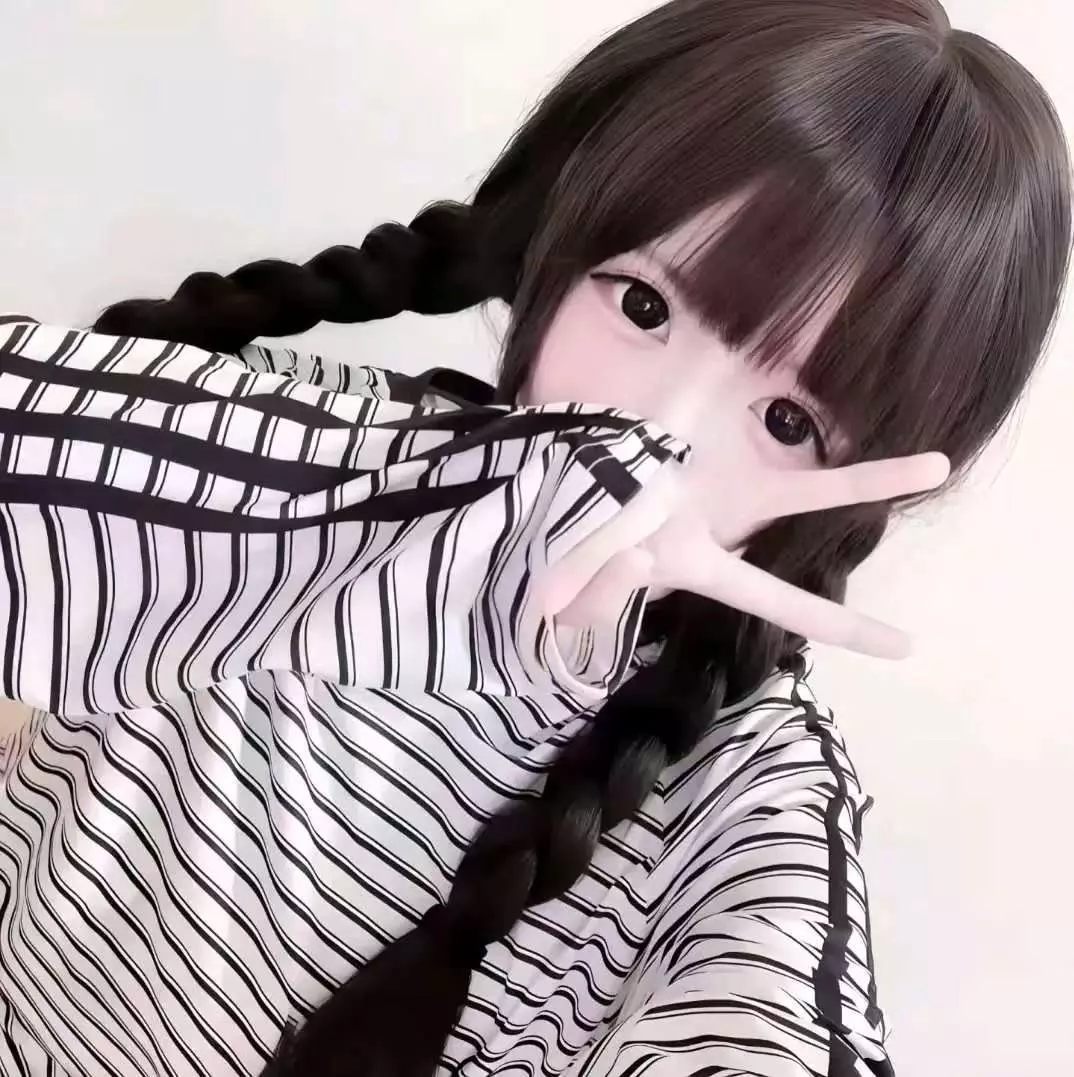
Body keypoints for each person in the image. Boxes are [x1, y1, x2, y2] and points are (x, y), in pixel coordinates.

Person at [0, 0, 1067, 1075]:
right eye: (643, 307)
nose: (655, 441)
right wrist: (398, 530)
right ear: (552, 237)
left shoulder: (750, 796)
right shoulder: (301, 429)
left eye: (788, 422)